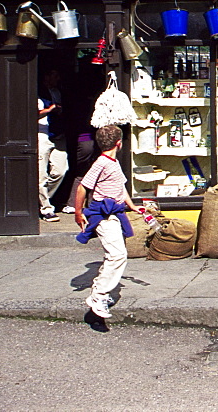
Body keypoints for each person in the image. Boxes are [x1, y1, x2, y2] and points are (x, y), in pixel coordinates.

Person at [74, 125, 139, 320]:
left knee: (113, 254)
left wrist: (131, 205)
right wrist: (78, 213)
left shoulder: (114, 162)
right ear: (118, 144)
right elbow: (82, 187)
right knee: (118, 255)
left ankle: (102, 291)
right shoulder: (101, 163)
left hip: (115, 214)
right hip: (104, 215)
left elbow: (121, 187)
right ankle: (98, 295)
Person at [38, 68, 68, 222]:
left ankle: (38, 200)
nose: (57, 78)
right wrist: (50, 109)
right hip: (42, 134)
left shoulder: (58, 91)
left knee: (61, 170)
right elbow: (31, 113)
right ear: (47, 75)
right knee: (41, 175)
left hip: (57, 134)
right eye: (55, 74)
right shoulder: (36, 91)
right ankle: (46, 209)